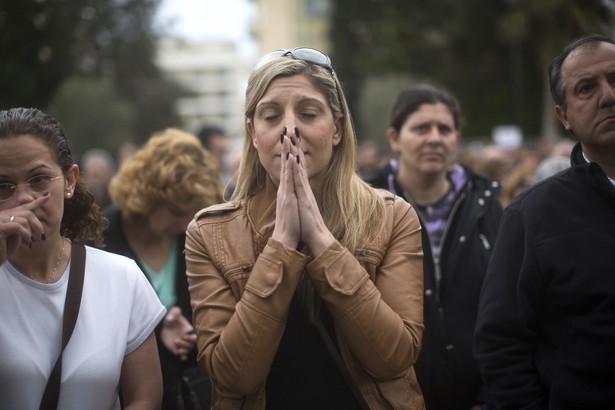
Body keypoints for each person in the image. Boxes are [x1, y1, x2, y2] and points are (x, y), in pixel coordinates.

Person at [185, 47, 425, 409]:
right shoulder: (210, 234)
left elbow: (394, 357)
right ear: (252, 133)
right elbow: (233, 377)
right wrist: (281, 244)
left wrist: (321, 242)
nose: (290, 129)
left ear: (337, 129)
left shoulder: (392, 217)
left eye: (309, 113)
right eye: (270, 116)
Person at [474, 33, 615, 408]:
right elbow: (500, 346)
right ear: (564, 116)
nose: (609, 96)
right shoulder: (531, 218)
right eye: (587, 88)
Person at [0, 107, 166, 409]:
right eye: (3, 186)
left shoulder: (121, 278)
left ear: (69, 181)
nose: (23, 199)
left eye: (38, 179)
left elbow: (145, 398)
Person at [365, 84, 502, 410]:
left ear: (456, 137)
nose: (434, 138)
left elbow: (508, 313)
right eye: (421, 128)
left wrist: (494, 399)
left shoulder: (487, 204)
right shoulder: (365, 206)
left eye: (445, 129)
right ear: (395, 138)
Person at [101, 128, 225, 409]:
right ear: (149, 195)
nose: (184, 224)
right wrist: (156, 334)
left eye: (191, 213)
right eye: (175, 211)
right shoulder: (98, 237)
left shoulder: (194, 237)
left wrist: (192, 332)